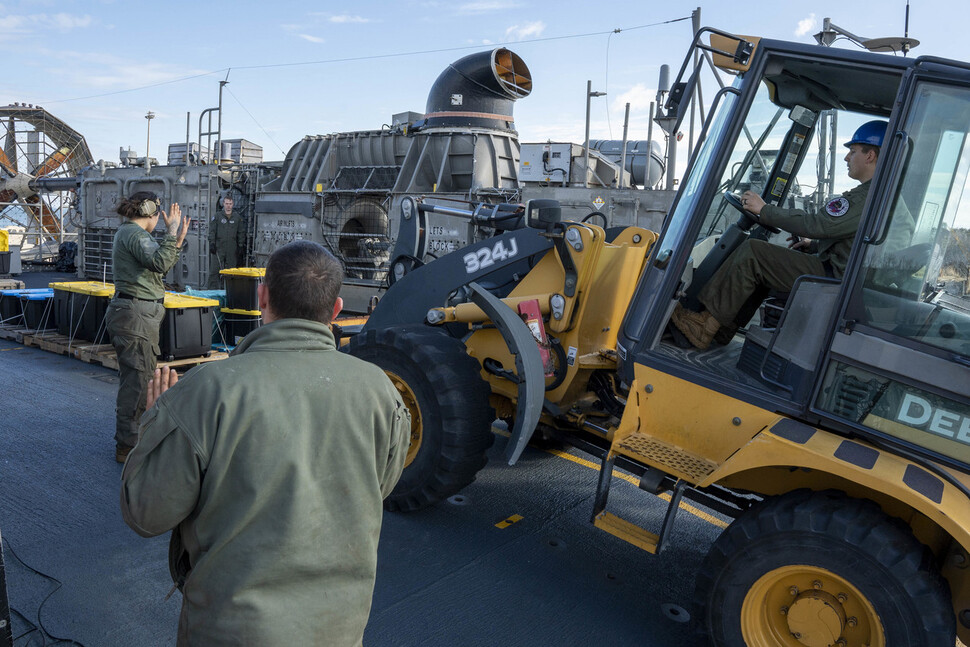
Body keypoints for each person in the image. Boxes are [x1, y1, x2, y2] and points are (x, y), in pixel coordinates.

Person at [120, 240, 411, 647]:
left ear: (262, 297)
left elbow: (146, 513)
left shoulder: (206, 391)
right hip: (338, 629)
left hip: (231, 631)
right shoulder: (382, 391)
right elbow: (378, 486)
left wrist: (154, 422)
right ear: (336, 309)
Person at [670, 120, 888, 350]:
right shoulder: (877, 194)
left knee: (754, 251)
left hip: (838, 279)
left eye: (852, 152)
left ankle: (703, 327)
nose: (846, 158)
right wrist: (812, 245)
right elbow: (851, 239)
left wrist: (764, 210)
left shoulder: (866, 197)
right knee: (768, 265)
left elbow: (816, 224)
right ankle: (721, 328)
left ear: (870, 155)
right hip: (845, 276)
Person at [105, 191, 190, 462]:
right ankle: (128, 446)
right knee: (138, 384)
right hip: (136, 317)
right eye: (159, 214)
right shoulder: (135, 235)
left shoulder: (131, 235)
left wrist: (175, 242)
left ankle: (129, 439)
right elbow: (160, 262)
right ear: (150, 211)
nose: (161, 218)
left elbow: (159, 268)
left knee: (135, 379)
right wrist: (172, 231)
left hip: (135, 315)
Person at [207, 193, 246, 287]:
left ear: (233, 204)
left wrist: (240, 246)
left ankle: (230, 292)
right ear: (223, 204)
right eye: (226, 203)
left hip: (232, 248)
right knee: (214, 271)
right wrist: (212, 243)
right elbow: (212, 231)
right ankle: (212, 292)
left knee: (231, 272)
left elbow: (241, 232)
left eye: (230, 204)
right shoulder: (217, 216)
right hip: (218, 247)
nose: (228, 206)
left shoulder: (237, 218)